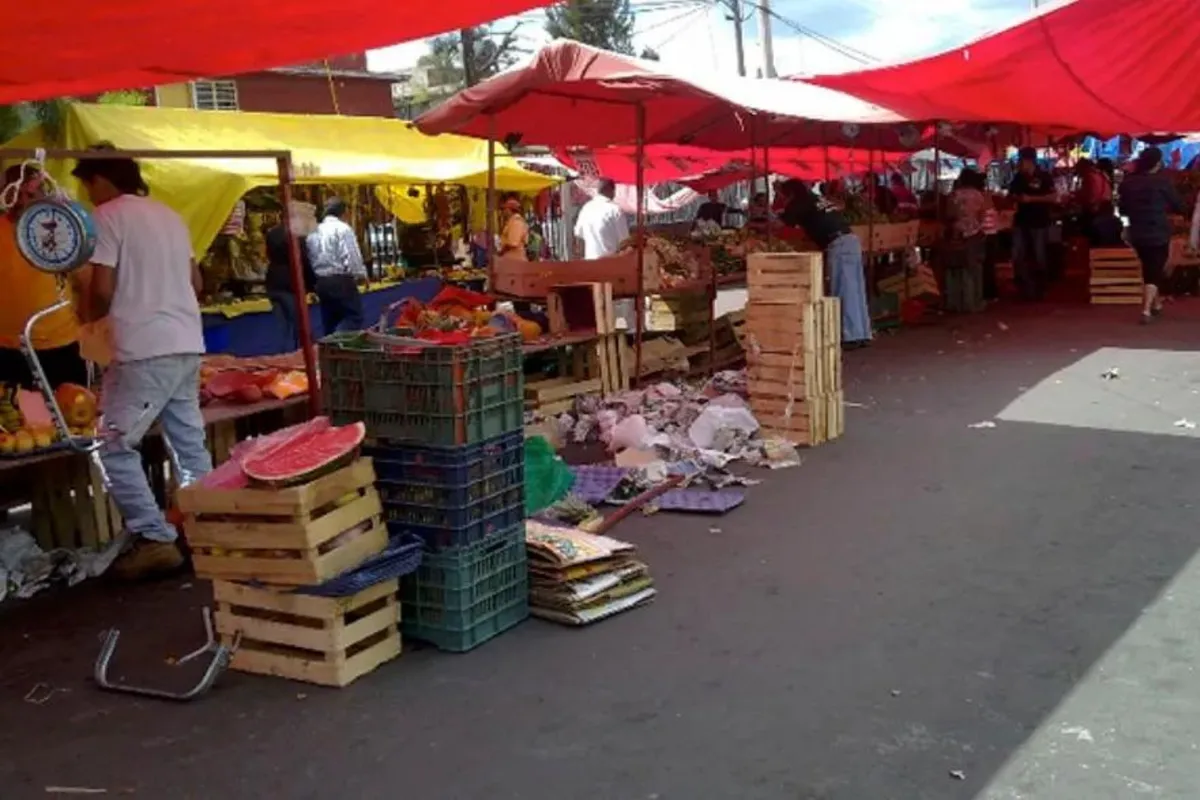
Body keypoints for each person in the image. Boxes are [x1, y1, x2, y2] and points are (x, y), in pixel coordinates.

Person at [70, 147, 211, 580]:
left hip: (143, 347)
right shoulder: (170, 216)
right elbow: (197, 282)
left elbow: (102, 289)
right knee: (188, 444)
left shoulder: (107, 217)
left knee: (111, 445)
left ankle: (155, 538)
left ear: (99, 179)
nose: (87, 194)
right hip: (186, 341)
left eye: (86, 184)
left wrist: (89, 319)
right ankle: (208, 529)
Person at [0, 164, 87, 389]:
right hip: (6, 349)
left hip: (59, 345)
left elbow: (84, 283)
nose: (21, 201)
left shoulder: (60, 229)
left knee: (68, 409)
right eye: (14, 194)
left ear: (42, 194)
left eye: (29, 195)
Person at [777, 179, 871, 349]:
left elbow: (780, 224)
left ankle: (849, 337)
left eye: (782, 195)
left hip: (838, 243)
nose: (782, 199)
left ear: (790, 193)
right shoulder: (815, 198)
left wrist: (759, 222)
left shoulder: (799, 203)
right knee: (855, 290)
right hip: (850, 240)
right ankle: (861, 333)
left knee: (842, 290)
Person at [1119, 146, 1185, 323]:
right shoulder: (1163, 182)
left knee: (1148, 266)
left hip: (1136, 230)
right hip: (1158, 230)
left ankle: (1156, 304)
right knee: (1155, 268)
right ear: (1157, 163)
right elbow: (1178, 205)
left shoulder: (1128, 183)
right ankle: (1146, 310)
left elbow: (1122, 209)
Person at [306, 197, 366, 335]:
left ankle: (330, 344)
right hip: (340, 279)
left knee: (330, 320)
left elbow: (309, 256)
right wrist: (360, 274)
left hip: (321, 281)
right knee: (353, 317)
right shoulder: (343, 229)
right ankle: (336, 340)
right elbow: (351, 256)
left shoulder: (313, 232)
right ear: (343, 213)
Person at [264, 203, 319, 352]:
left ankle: (284, 350)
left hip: (274, 281)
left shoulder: (271, 233)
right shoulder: (297, 235)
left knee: (282, 322)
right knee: (298, 322)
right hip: (292, 282)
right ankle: (299, 352)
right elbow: (304, 260)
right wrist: (313, 284)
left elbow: (269, 256)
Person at [1008, 147, 1056, 300]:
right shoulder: (1018, 178)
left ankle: (1041, 287)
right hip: (1021, 221)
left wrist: (1032, 199)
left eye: (1021, 160)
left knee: (1039, 254)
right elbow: (1011, 195)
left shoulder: (1044, 176)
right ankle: (1023, 286)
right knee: (1018, 254)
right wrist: (1015, 199)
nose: (1019, 164)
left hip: (1039, 221)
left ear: (1029, 161)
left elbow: (1053, 197)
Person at [943, 167, 991, 314]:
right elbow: (984, 213)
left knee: (954, 270)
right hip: (975, 233)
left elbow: (948, 213)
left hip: (956, 234)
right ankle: (973, 302)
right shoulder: (978, 195)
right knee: (974, 269)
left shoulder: (954, 195)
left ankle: (955, 303)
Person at [574, 178, 628, 260]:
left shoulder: (586, 209)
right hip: (611, 263)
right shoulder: (615, 210)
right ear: (611, 190)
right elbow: (624, 242)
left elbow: (579, 235)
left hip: (590, 262)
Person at [498, 194, 529, 260]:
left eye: (504, 209)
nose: (503, 211)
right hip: (510, 259)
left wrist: (502, 251)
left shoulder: (516, 222)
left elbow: (513, 243)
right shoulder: (511, 221)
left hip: (515, 260)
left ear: (509, 210)